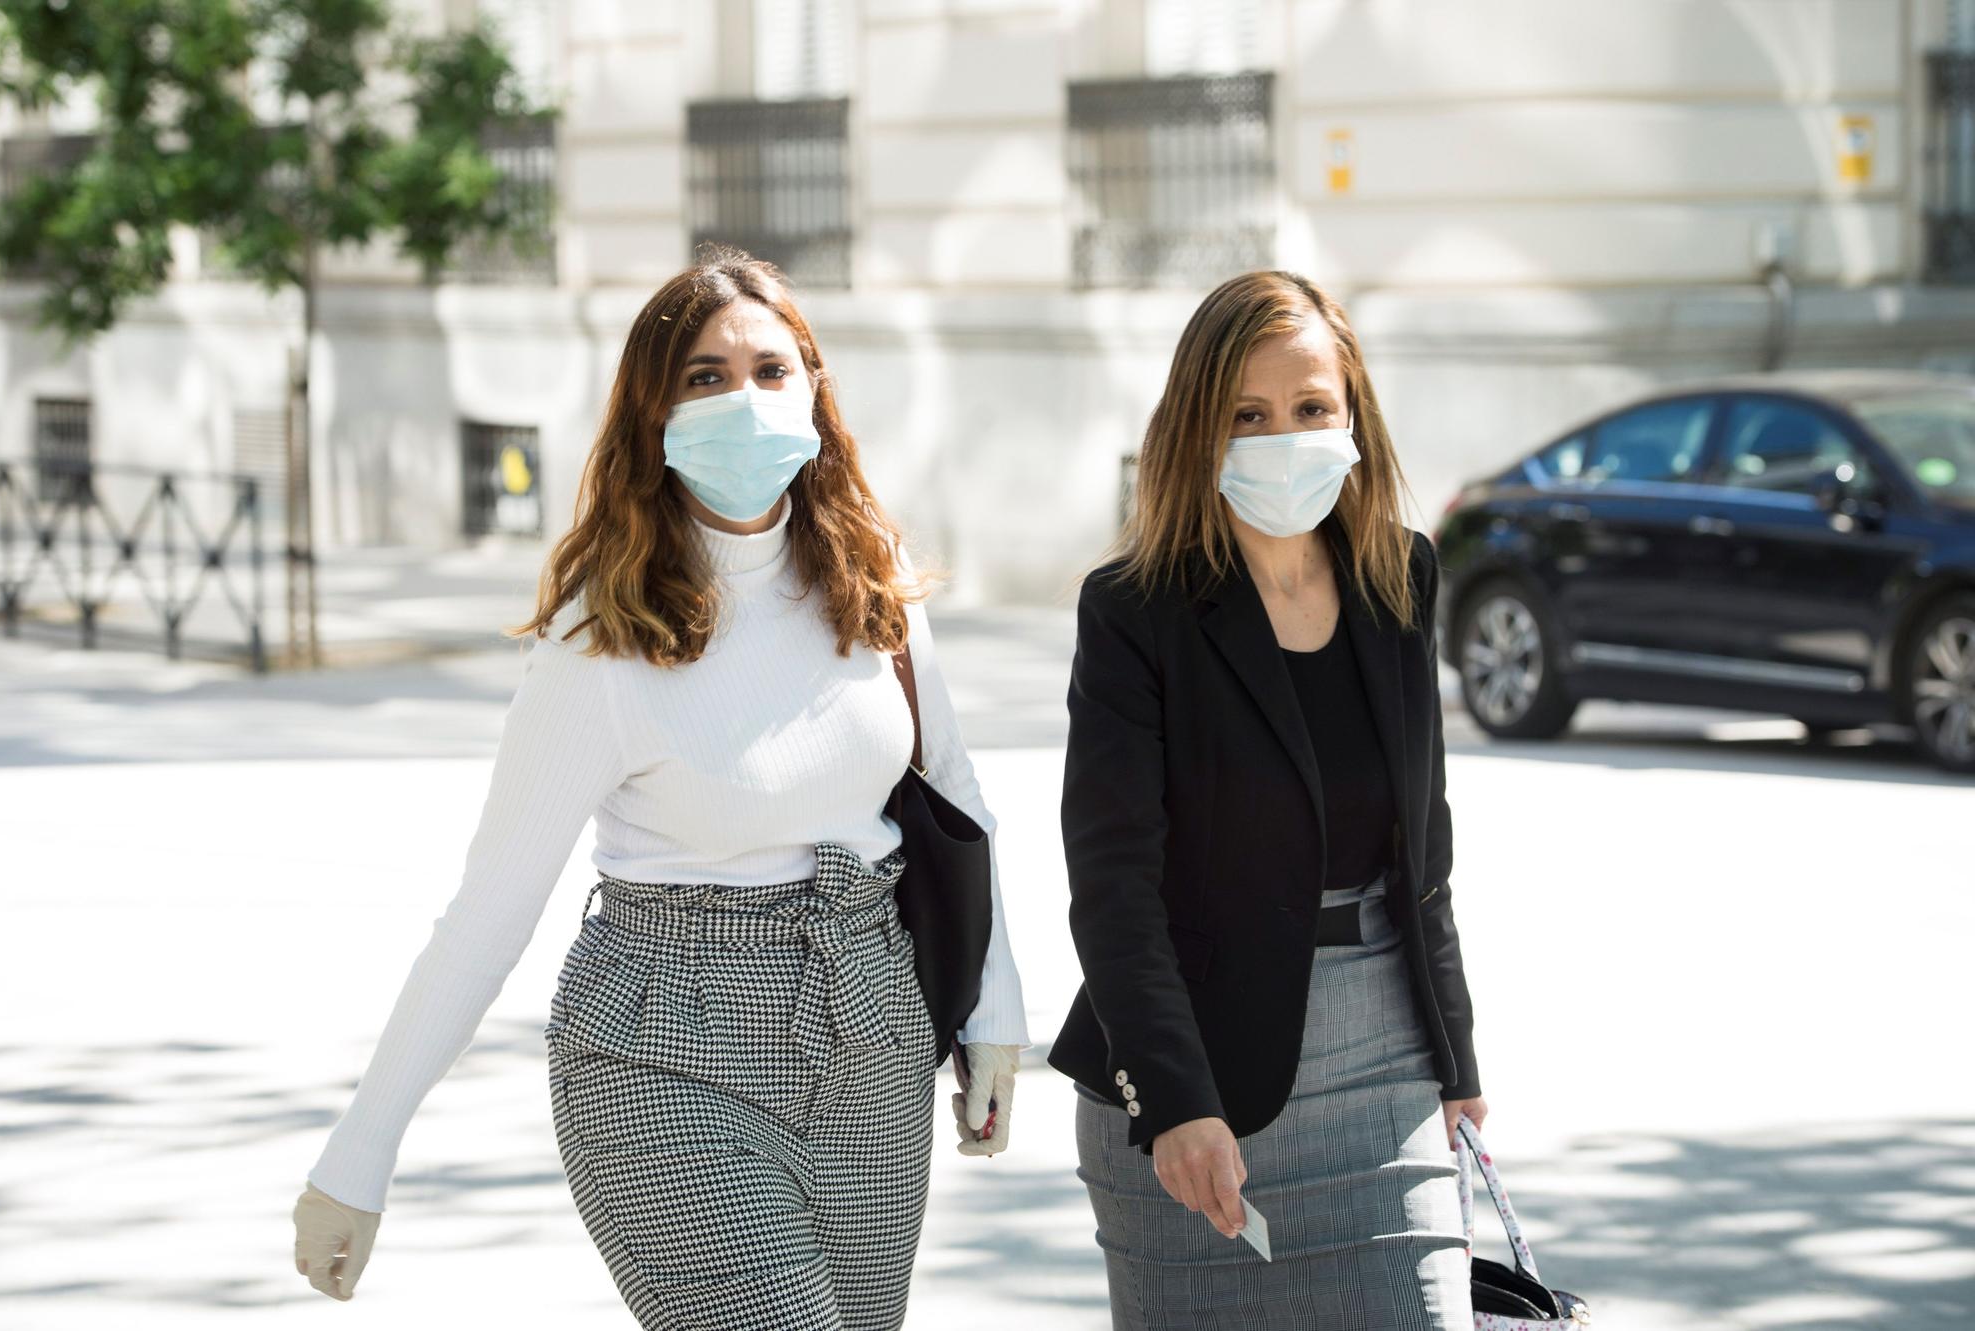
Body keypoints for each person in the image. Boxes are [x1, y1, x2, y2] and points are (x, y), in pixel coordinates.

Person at [289, 246, 1030, 1329]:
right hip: (662, 1045)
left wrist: (992, 1007)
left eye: (771, 371)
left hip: (873, 1027)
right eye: (705, 376)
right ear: (654, 416)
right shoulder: (599, 645)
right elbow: (487, 913)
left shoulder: (869, 583)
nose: (745, 398)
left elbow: (949, 787)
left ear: (815, 392)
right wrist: (360, 1151)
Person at [1049, 269, 1487, 1329]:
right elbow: (1113, 886)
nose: (1280, 437)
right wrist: (1177, 1097)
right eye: (1245, 415)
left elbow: (1420, 847)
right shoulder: (1132, 612)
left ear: (1351, 419)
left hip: (1383, 1052)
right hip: (1193, 1073)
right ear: (1195, 429)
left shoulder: (1400, 579)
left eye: (1307, 409)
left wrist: (1456, 1058)